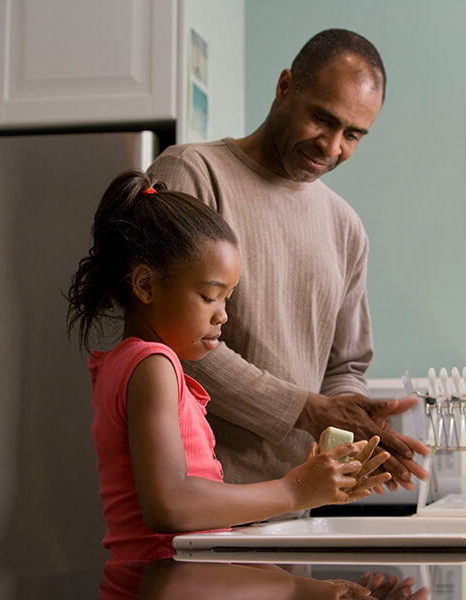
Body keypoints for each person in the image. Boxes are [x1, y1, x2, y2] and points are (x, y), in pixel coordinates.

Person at [147, 28, 428, 494]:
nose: (332, 146)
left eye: (353, 135)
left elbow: (345, 366)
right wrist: (308, 410)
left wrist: (351, 421)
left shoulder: (345, 227)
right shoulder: (191, 174)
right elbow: (168, 339)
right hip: (197, 500)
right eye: (323, 118)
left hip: (294, 504)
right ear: (284, 88)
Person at [66, 169, 390, 561]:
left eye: (227, 299)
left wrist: (307, 485)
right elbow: (170, 504)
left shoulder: (128, 362)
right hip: (161, 583)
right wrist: (295, 490)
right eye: (209, 297)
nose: (223, 316)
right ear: (146, 286)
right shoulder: (154, 365)